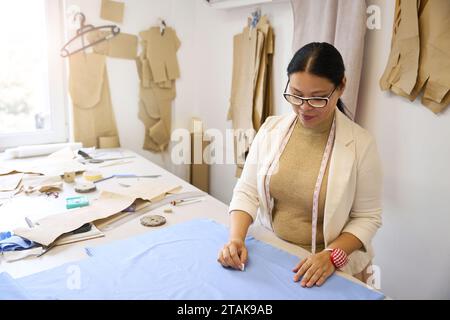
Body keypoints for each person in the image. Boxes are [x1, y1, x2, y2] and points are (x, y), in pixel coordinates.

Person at [218, 42, 382, 288]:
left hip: (327, 265)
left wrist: (331, 256)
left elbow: (367, 218)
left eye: (317, 99)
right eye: (296, 95)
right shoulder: (271, 129)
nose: (304, 108)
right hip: (274, 251)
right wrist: (236, 239)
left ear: (341, 87)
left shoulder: (361, 145)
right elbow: (247, 190)